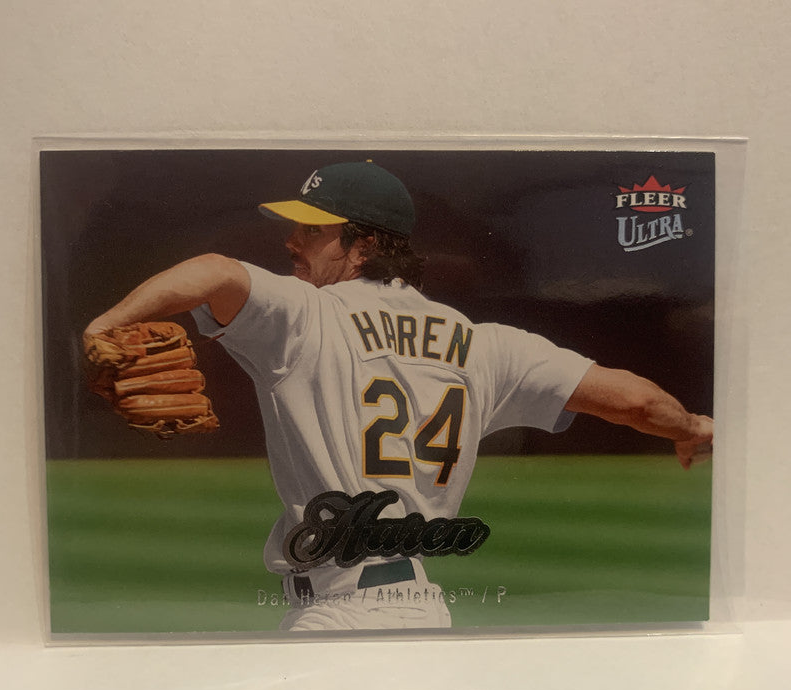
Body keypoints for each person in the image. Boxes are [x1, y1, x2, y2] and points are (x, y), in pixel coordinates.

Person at [84, 160, 713, 632]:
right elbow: (634, 401)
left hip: (338, 614)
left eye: (313, 229)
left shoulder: (308, 315)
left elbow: (213, 272)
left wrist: (102, 329)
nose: (292, 241)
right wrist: (690, 428)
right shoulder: (489, 346)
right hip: (420, 607)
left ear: (364, 245)